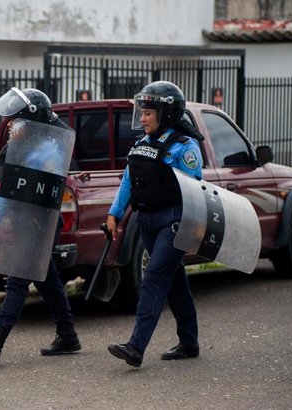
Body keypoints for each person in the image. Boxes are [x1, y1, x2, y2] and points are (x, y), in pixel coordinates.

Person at [0, 87, 81, 364]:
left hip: (40, 223)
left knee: (18, 279)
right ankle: (68, 335)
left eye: (14, 122)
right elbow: (8, 192)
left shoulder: (48, 151)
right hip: (24, 222)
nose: (8, 127)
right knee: (47, 279)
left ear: (31, 123)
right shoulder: (15, 149)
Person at [105, 81, 204, 368]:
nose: (143, 117)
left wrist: (192, 229)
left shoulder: (186, 147)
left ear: (167, 113)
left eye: (149, 112)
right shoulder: (141, 145)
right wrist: (115, 213)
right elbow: (127, 182)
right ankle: (189, 341)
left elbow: (195, 191)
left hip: (173, 221)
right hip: (146, 221)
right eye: (142, 111)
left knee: (153, 279)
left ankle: (136, 347)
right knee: (174, 282)